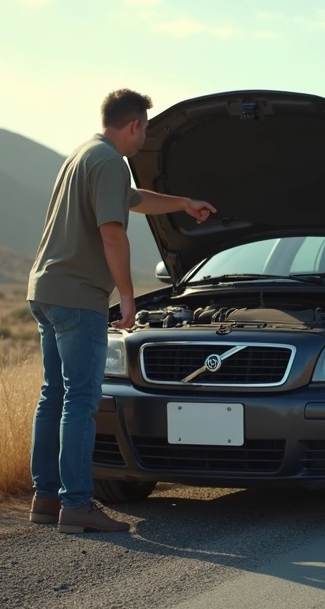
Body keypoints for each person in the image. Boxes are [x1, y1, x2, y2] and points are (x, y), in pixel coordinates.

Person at [25, 89, 216, 534]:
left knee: (53, 395)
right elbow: (113, 232)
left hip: (46, 289)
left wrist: (183, 203)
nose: (143, 138)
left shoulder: (84, 155)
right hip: (78, 297)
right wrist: (127, 296)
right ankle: (77, 504)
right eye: (145, 129)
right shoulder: (110, 161)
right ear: (133, 125)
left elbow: (133, 199)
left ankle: (46, 498)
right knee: (80, 400)